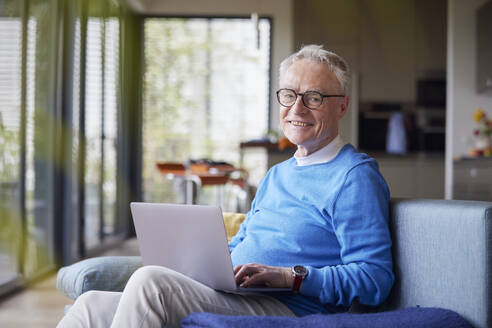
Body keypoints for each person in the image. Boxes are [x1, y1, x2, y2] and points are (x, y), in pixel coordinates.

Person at [57, 44, 394, 328]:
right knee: (90, 305)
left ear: (342, 106)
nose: (296, 108)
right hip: (235, 295)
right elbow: (247, 239)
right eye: (289, 95)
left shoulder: (354, 176)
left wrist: (290, 276)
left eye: (314, 97)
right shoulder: (278, 175)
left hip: (289, 311)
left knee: (150, 282)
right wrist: (201, 264)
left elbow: (374, 279)